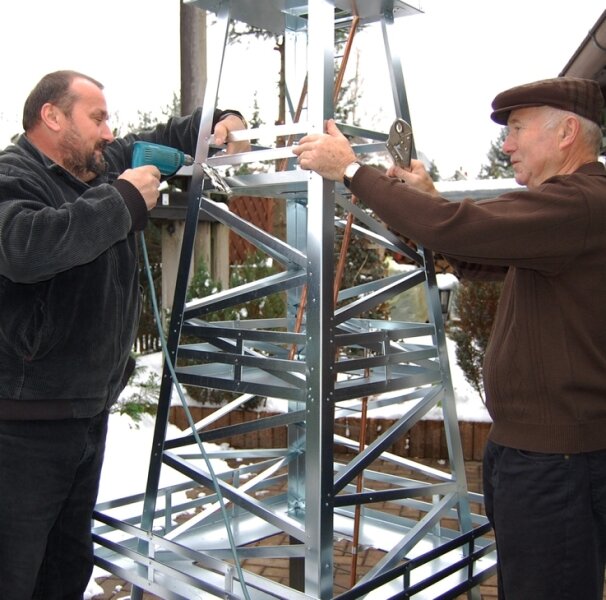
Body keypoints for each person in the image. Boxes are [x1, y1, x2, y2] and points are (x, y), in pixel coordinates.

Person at [293, 76, 606, 599]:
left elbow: (461, 228)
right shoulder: (567, 209)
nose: (506, 145)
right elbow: (481, 246)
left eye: (517, 130)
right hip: (539, 456)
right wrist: (428, 206)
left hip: (559, 466)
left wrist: (350, 170)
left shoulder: (580, 204)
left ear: (567, 131)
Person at [0, 69, 248, 600]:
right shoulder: (13, 176)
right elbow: (25, 248)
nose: (109, 132)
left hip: (86, 412)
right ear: (52, 116)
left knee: (66, 568)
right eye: (97, 118)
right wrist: (122, 203)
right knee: (14, 571)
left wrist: (219, 123)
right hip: (22, 426)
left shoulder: (97, 166)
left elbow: (163, 137)